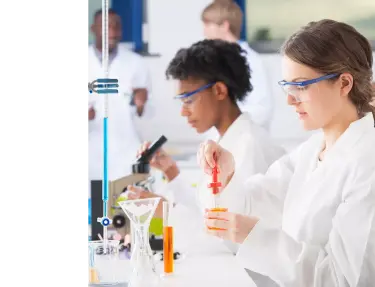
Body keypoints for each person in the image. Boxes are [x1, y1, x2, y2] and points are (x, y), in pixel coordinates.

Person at [198, 19, 375, 286]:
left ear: (344, 83)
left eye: (301, 86)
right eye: (287, 86)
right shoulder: (312, 151)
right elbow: (248, 207)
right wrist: (228, 173)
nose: (290, 99)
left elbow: (346, 281)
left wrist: (255, 237)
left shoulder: (367, 163)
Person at [128, 39, 285, 228]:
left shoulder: (248, 145)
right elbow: (205, 210)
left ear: (219, 90)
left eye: (188, 100)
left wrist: (165, 211)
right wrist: (171, 172)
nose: (183, 112)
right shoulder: (223, 140)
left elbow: (233, 235)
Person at [88, 8, 152, 190]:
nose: (113, 32)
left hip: (126, 156)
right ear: (93, 28)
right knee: (97, 213)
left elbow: (150, 113)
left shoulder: (136, 63)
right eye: (107, 26)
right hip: (92, 157)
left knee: (125, 213)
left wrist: (141, 105)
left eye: (117, 26)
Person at [200, 0, 273, 131]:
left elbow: (262, 109)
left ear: (224, 26)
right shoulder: (215, 60)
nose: (204, 31)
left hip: (246, 138)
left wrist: (226, 116)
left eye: (207, 24)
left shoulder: (251, 60)